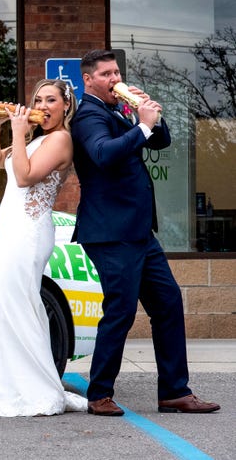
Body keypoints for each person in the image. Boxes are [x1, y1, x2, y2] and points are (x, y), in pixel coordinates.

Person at [70, 49, 220, 416]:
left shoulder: (118, 109)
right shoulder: (88, 115)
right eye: (105, 74)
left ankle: (174, 392)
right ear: (88, 79)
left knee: (168, 304)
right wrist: (141, 125)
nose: (114, 79)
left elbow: (160, 141)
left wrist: (148, 116)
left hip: (138, 231)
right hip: (109, 231)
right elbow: (104, 154)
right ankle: (99, 393)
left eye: (117, 72)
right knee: (120, 310)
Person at [0, 79, 87, 417]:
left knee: (16, 306)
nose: (44, 105)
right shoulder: (36, 138)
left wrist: (20, 133)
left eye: (51, 100)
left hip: (29, 233)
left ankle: (34, 389)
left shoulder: (61, 140)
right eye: (38, 99)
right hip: (8, 230)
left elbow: (24, 177)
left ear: (66, 106)